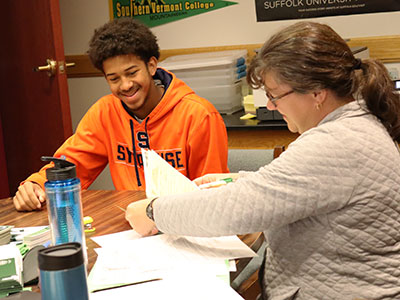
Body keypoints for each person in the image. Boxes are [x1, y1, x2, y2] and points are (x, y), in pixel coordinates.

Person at [125, 21, 400, 300]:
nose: (270, 105)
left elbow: (233, 210)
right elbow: (302, 187)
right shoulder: (356, 125)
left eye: (274, 95)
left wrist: (153, 212)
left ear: (317, 92)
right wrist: (241, 181)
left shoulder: (334, 144)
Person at [13, 17, 229, 211]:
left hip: (187, 225)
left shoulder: (199, 115)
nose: (125, 85)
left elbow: (212, 195)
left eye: (132, 73)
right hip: (131, 227)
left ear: (152, 66)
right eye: (114, 79)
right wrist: (36, 185)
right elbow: (70, 164)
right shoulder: (104, 113)